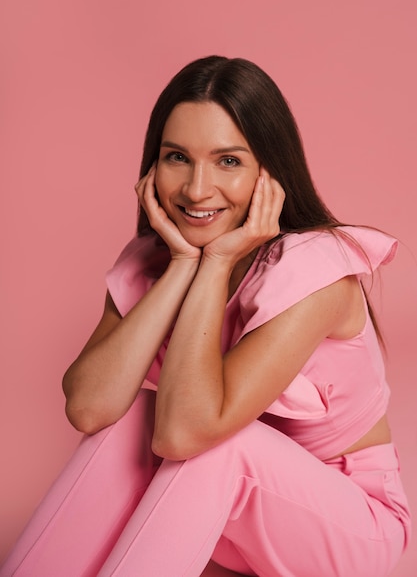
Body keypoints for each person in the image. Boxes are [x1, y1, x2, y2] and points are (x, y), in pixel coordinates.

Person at [1, 56, 411, 577]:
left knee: (215, 445)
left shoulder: (316, 270)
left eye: (228, 162)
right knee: (130, 418)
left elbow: (186, 436)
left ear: (270, 173)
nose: (196, 189)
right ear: (153, 165)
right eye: (177, 158)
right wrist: (180, 265)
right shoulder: (150, 260)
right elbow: (88, 408)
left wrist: (215, 261)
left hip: (346, 529)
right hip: (219, 518)